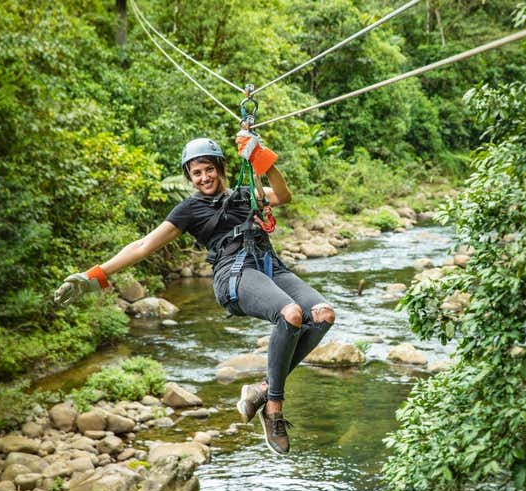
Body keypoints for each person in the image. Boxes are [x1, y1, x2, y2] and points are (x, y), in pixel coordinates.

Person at [54, 132, 335, 455]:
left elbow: (283, 197)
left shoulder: (245, 194)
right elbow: (143, 245)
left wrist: (264, 161)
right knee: (291, 314)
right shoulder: (189, 209)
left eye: (208, 170)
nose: (204, 178)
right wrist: (95, 275)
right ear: (189, 177)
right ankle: (273, 409)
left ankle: (260, 390)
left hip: (270, 266)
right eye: (196, 173)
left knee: (323, 314)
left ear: (220, 168)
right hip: (234, 274)